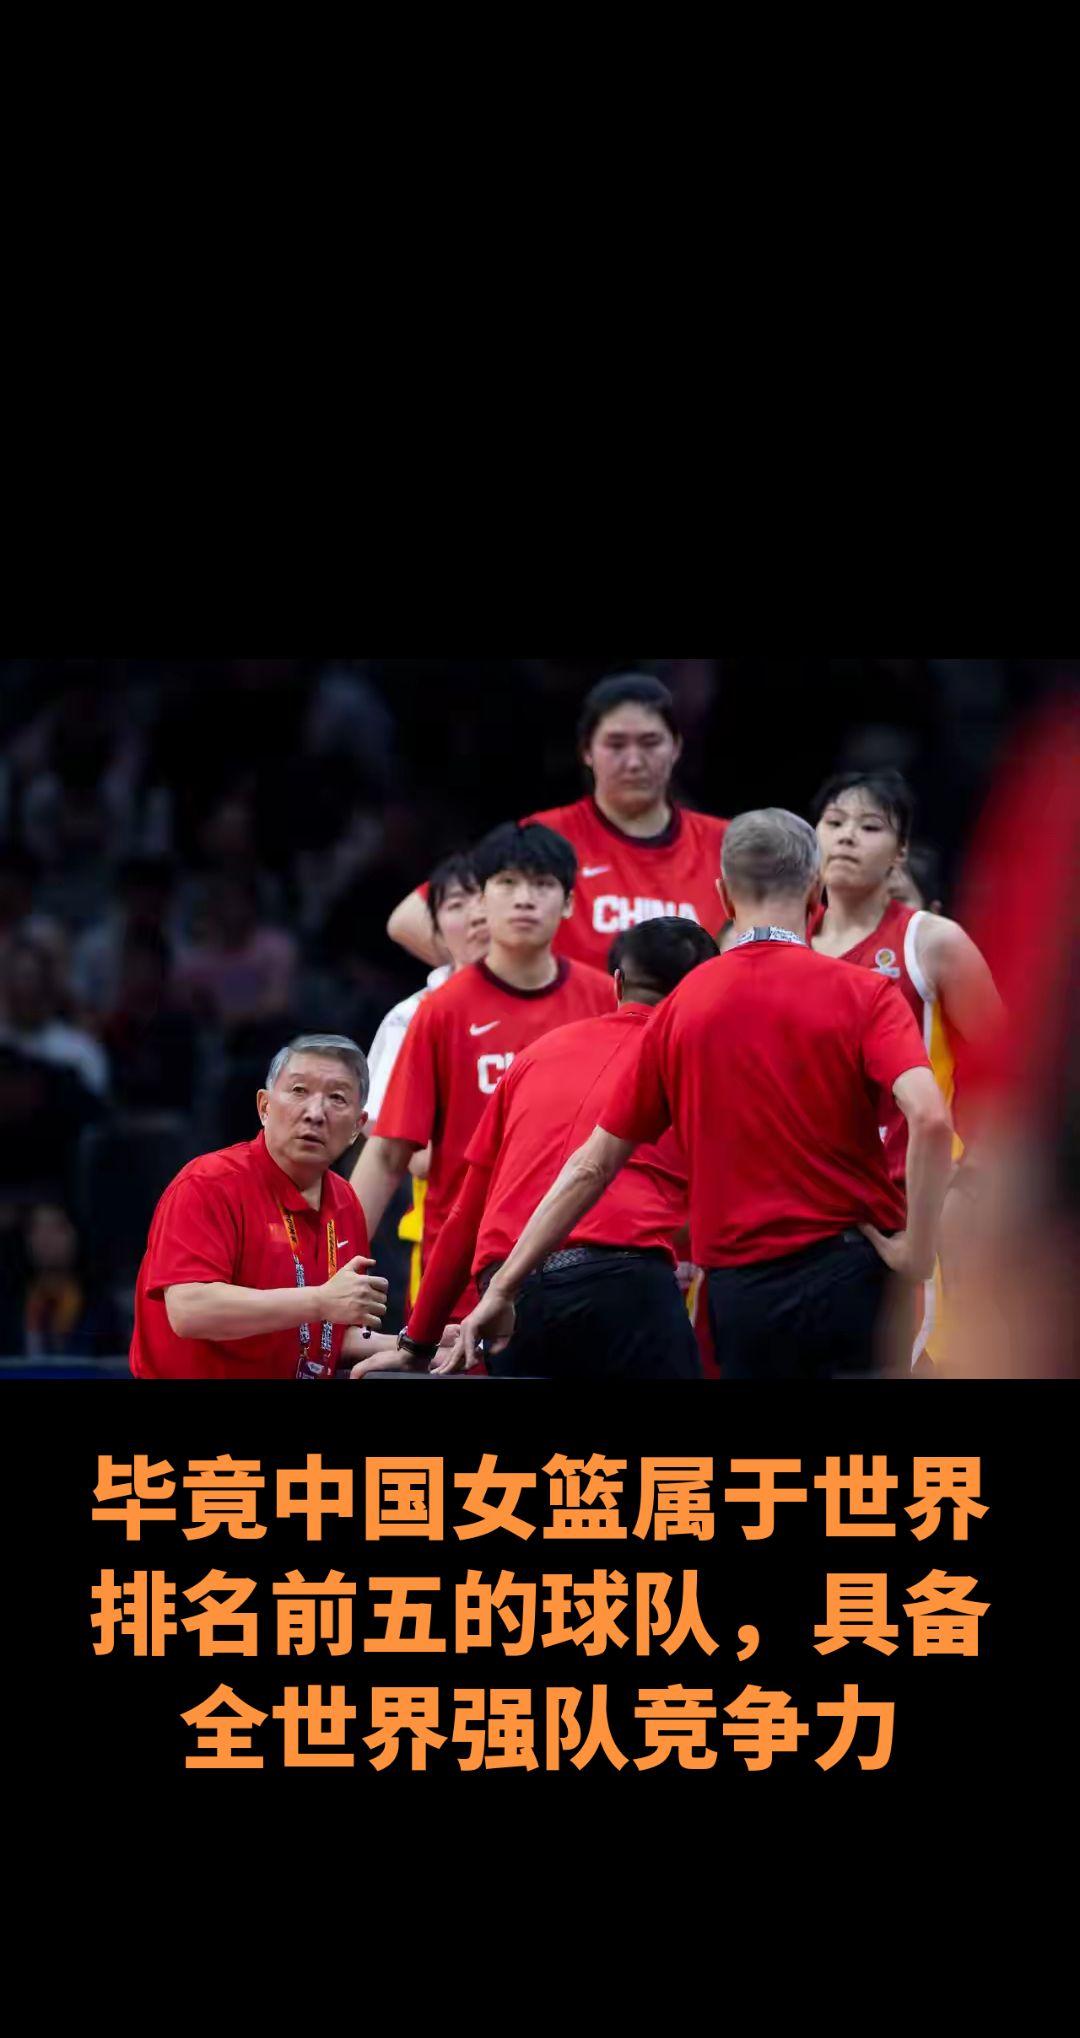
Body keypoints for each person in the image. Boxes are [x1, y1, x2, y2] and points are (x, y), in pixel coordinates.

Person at [457, 809, 954, 1382]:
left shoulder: (683, 1008)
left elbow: (592, 1165)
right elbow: (930, 1117)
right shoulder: (866, 992)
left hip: (744, 1293)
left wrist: (506, 1284)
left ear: (722, 895)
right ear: (815, 891)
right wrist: (917, 1252)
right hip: (855, 1276)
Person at [353, 917, 719, 1381]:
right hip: (626, 1285)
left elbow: (467, 1215)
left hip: (515, 1299)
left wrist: (417, 1343)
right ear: (705, 996)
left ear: (617, 983)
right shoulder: (699, 1063)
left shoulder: (534, 1056)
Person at [349, 822, 614, 1323]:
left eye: (542, 884)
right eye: (507, 883)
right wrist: (332, 1265)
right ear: (483, 901)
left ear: (568, 903)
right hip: (464, 1278)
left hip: (588, 1268)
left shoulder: (605, 1000)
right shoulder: (439, 1012)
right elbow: (386, 1153)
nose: (524, 899)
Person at [810, 769, 1001, 1366]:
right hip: (803, 1210)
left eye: (869, 827)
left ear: (900, 854)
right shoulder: (785, 942)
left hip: (905, 1210)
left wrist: (971, 1181)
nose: (847, 836)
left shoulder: (934, 942)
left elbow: (1009, 1072)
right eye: (834, 823)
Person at [384, 674, 729, 974]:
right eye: (616, 744)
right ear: (587, 751)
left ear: (676, 747)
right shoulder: (545, 838)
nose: (634, 761)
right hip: (573, 1032)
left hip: (691, 1031)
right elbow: (410, 919)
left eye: (650, 743)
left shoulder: (728, 845)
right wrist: (501, 988)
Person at [130, 1032, 405, 1380]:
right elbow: (190, 1310)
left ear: (357, 1127)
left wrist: (420, 1345)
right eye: (299, 1091)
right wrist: (319, 1301)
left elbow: (329, 1338)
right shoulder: (209, 1183)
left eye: (337, 1098)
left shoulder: (345, 1201)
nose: (315, 1113)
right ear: (264, 1107)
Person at [364, 851, 489, 1315]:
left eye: (483, 898)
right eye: (456, 904)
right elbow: (395, 1146)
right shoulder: (411, 1016)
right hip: (448, 1241)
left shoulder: (569, 1002)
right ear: (434, 933)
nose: (475, 914)